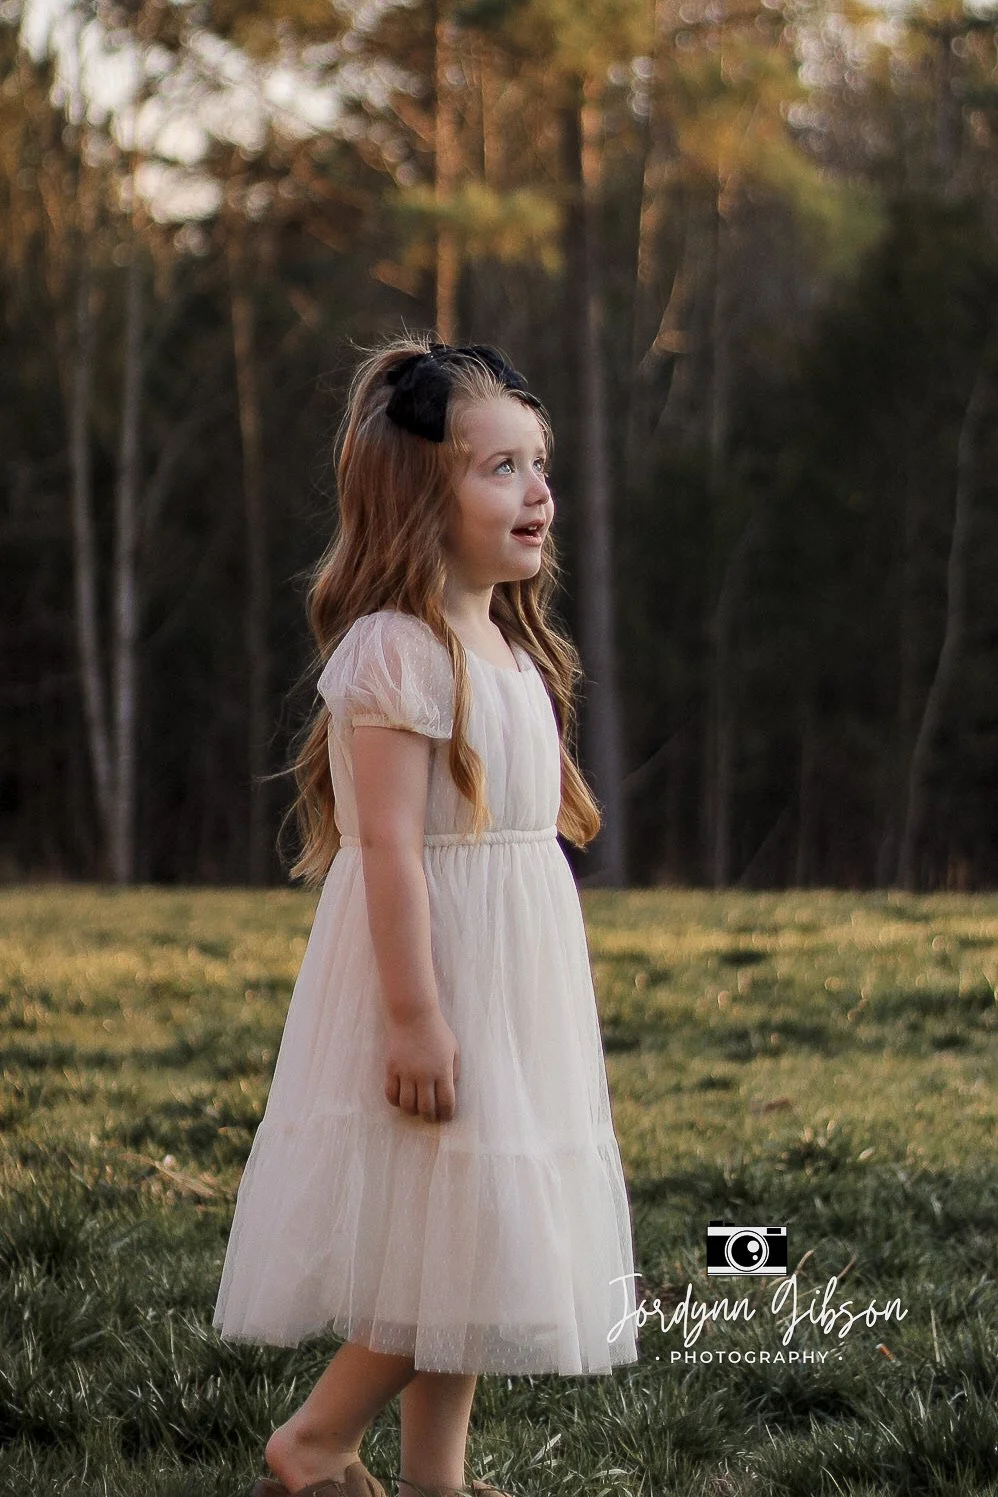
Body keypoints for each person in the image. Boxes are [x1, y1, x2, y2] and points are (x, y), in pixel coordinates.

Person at [212, 337, 640, 1497]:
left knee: (470, 1239)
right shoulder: (391, 653)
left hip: (508, 983)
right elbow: (387, 846)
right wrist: (413, 1017)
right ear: (416, 496)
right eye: (497, 468)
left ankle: (435, 1479)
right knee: (462, 1236)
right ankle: (312, 1443)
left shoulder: (506, 646)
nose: (535, 491)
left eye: (536, 463)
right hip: (433, 979)